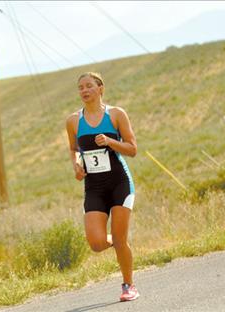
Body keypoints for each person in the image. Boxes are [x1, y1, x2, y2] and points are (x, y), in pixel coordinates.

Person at [65, 72, 140, 302]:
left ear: (100, 88)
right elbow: (74, 149)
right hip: (94, 187)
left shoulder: (116, 114)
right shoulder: (73, 121)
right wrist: (77, 166)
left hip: (119, 183)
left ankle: (129, 286)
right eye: (80, 87)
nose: (84, 90)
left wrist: (110, 142)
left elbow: (132, 149)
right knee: (97, 243)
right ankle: (119, 241)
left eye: (89, 86)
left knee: (119, 239)